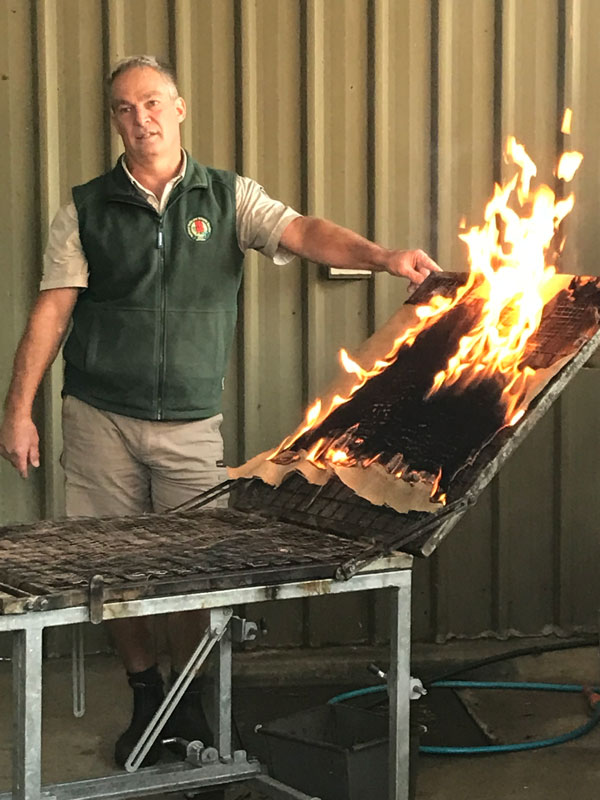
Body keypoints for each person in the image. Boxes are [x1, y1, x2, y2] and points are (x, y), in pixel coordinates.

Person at [0, 55, 441, 769]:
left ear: (178, 109)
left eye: (151, 103)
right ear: (113, 119)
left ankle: (194, 702)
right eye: (123, 108)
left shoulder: (228, 197)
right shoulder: (84, 206)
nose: (139, 118)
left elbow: (304, 232)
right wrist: (17, 410)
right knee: (109, 570)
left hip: (189, 425)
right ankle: (147, 697)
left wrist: (384, 255)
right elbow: (51, 314)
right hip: (97, 417)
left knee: (198, 574)